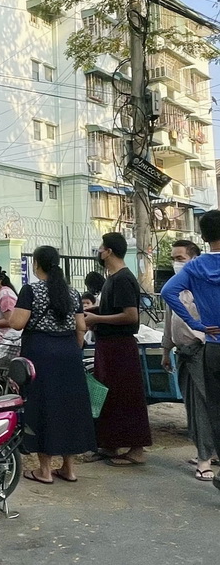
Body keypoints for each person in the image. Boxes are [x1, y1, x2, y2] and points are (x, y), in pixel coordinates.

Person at [8, 246, 95, 484]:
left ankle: (44, 470)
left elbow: (17, 323)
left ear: (36, 263)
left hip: (41, 353)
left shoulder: (31, 290)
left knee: (42, 406)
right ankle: (69, 468)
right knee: (69, 407)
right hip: (68, 354)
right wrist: (74, 350)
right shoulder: (72, 292)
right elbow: (81, 327)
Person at [162, 210, 220, 492]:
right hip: (199, 348)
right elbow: (168, 306)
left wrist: (199, 325)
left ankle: (211, 463)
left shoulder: (195, 271)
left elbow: (167, 293)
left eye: (178, 258)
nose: (176, 262)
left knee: (210, 409)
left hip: (207, 348)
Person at [83, 232, 151, 466]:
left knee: (126, 397)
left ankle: (136, 448)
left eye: (101, 248)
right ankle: (110, 444)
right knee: (108, 397)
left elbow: (130, 316)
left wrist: (97, 320)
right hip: (108, 347)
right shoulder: (112, 278)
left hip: (120, 347)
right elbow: (112, 307)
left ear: (109, 251)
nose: (99, 252)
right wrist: (95, 313)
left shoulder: (123, 278)